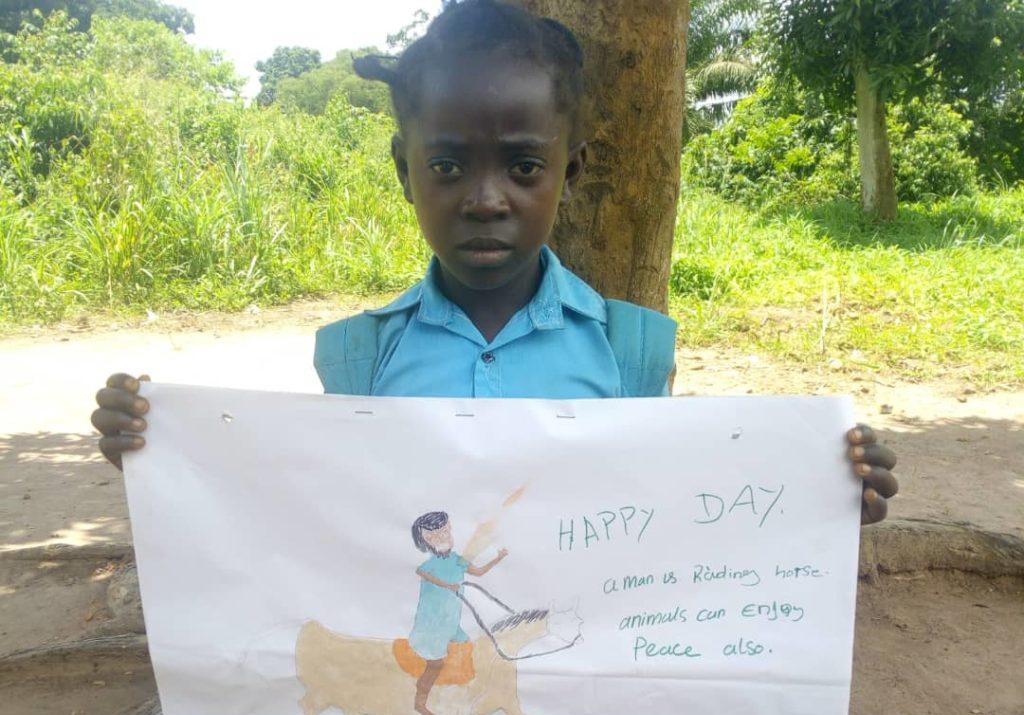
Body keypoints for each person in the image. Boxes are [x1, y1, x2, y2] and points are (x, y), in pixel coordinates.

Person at [91, 1, 897, 512]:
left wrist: (817, 501)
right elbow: (322, 511)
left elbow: (666, 510)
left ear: (570, 172)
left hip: (581, 682)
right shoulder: (361, 354)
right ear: (404, 171)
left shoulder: (631, 348)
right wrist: (168, 459)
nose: (484, 198)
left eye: (522, 166)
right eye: (447, 166)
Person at [407, 511, 507, 715]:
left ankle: (456, 693)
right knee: (435, 665)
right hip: (432, 626)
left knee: (466, 650)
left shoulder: (457, 559)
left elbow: (478, 572)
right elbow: (423, 573)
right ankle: (419, 702)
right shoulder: (429, 565)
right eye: (435, 535)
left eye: (445, 531)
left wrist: (498, 558)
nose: (442, 537)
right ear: (426, 540)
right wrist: (448, 585)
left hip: (451, 621)